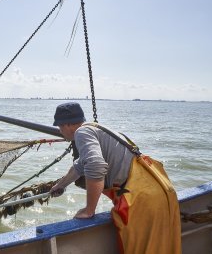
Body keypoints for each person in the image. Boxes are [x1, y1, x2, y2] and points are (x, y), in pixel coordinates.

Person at [50, 102, 181, 254]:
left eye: (59, 127)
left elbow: (96, 165)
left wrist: (89, 210)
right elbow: (80, 165)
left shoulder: (81, 133)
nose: (60, 131)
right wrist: (61, 185)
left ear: (67, 125)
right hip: (162, 192)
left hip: (142, 199)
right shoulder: (98, 129)